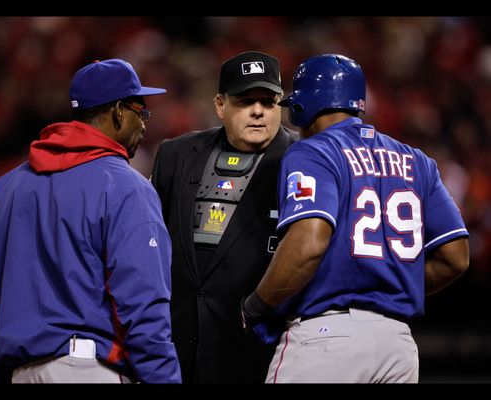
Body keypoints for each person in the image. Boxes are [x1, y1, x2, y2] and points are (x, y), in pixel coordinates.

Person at [241, 54, 470, 383]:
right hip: (399, 345)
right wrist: (385, 283)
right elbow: (455, 258)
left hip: (327, 337)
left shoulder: (313, 151)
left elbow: (308, 243)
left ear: (302, 106)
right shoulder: (418, 161)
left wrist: (257, 305)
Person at [0, 59, 181, 384]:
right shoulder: (127, 187)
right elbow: (143, 305)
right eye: (142, 111)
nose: (145, 124)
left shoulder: (8, 186)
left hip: (19, 371)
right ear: (119, 112)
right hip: (87, 368)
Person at [151, 51, 298, 383]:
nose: (258, 111)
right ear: (220, 105)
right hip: (177, 345)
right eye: (246, 101)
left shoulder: (302, 160)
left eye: (269, 102)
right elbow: (151, 245)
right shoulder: (175, 155)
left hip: (260, 351)